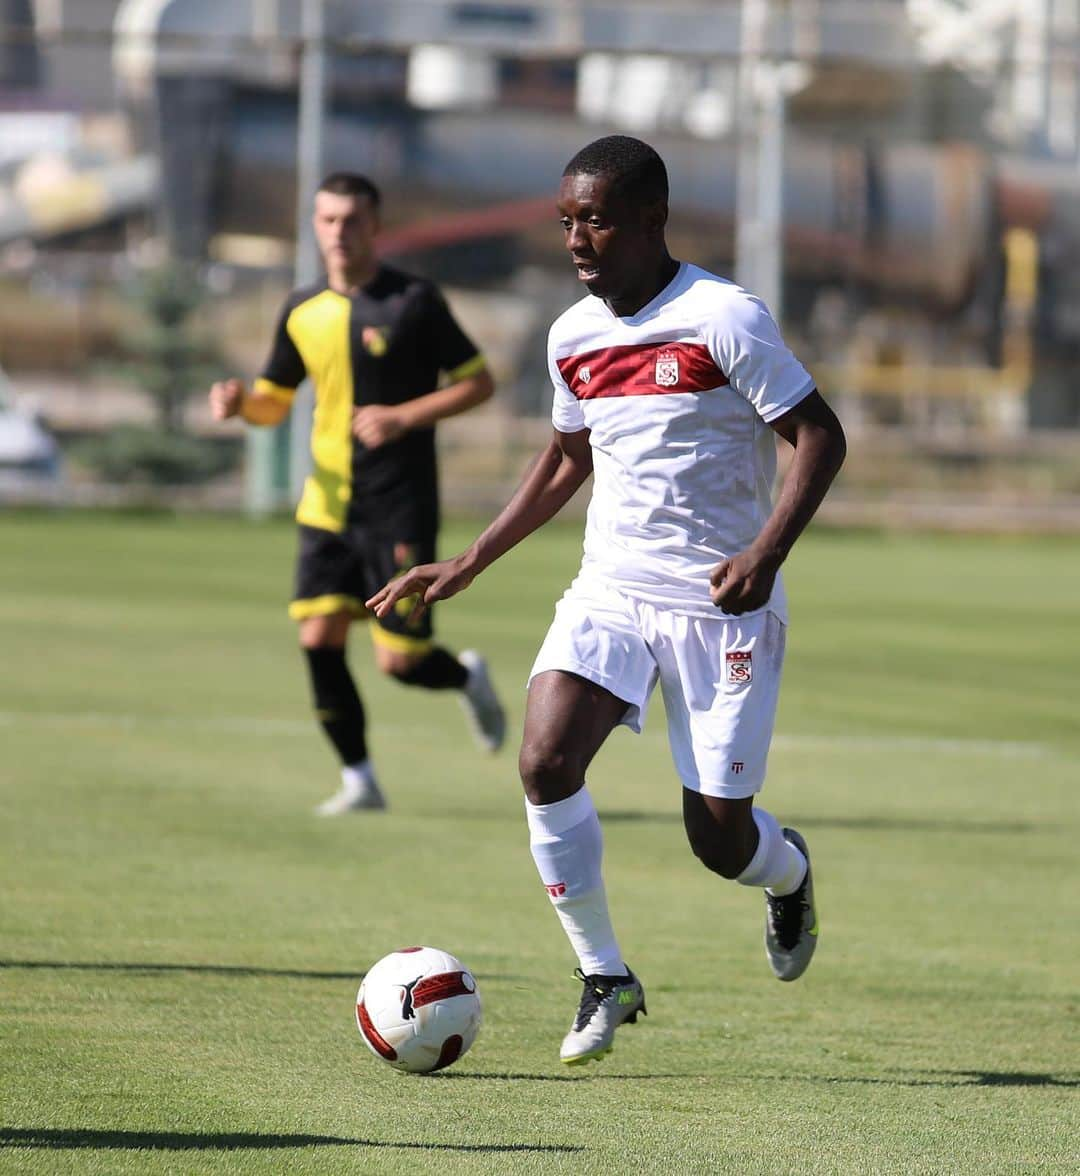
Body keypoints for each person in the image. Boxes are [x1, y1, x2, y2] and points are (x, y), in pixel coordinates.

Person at [368, 135, 847, 1065]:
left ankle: (786, 873)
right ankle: (604, 976)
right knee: (545, 761)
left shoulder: (723, 318)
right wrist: (467, 561)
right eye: (566, 221)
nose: (577, 239)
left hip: (721, 605)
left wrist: (766, 550)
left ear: (651, 220)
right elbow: (566, 460)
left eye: (596, 219)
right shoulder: (572, 335)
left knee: (718, 841)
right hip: (612, 590)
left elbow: (820, 439)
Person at [209, 171, 506, 816]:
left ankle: (464, 678)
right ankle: (359, 780)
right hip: (327, 504)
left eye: (351, 220)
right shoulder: (301, 308)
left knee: (400, 663)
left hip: (399, 505)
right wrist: (241, 406)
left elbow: (478, 382)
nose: (338, 232)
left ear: (374, 225)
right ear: (315, 226)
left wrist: (403, 416)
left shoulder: (414, 301)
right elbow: (273, 402)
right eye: (327, 220)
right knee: (317, 638)